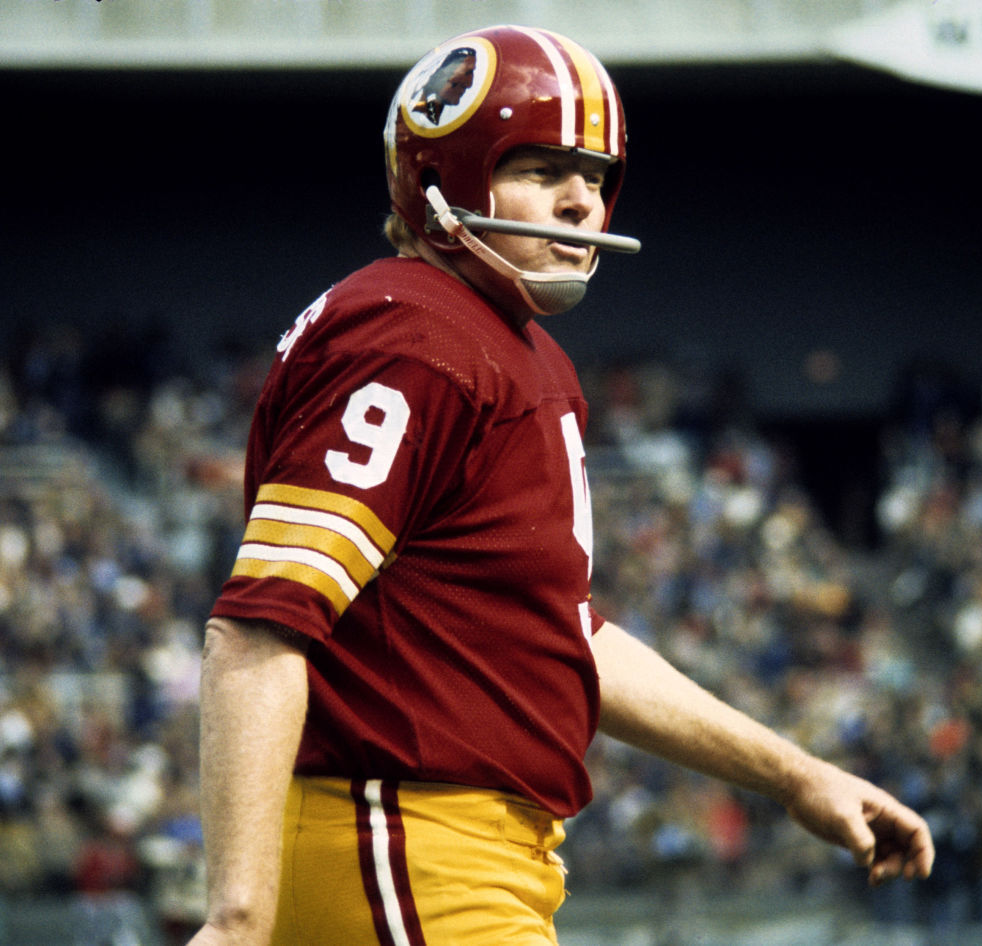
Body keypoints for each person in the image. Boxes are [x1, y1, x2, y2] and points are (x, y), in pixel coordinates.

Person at [188, 25, 934, 946]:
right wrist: (237, 916)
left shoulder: (509, 351)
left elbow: (570, 635)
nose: (582, 201)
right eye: (541, 169)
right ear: (442, 182)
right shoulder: (413, 336)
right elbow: (263, 620)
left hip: (469, 854)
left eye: (594, 173)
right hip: (405, 838)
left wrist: (794, 774)